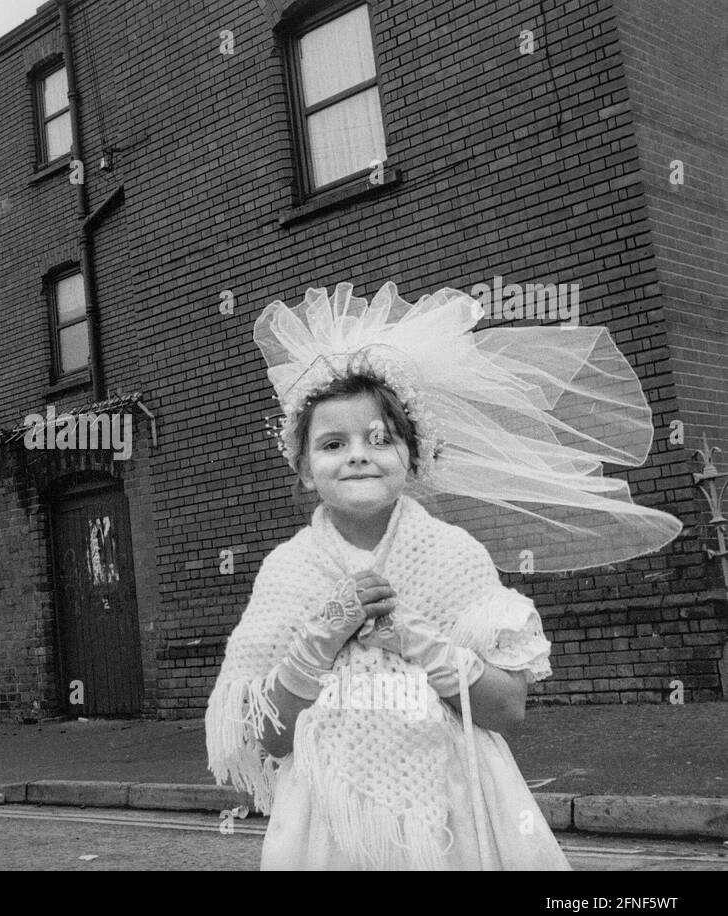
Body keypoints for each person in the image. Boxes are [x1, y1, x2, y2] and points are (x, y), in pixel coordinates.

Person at [206, 282, 681, 870]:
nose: (358, 454)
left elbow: (507, 710)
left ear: (415, 456)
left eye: (380, 438)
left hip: (460, 810)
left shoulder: (452, 554)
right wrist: (320, 638)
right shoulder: (288, 571)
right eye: (333, 443)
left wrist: (420, 641)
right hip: (330, 822)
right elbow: (268, 736)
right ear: (304, 468)